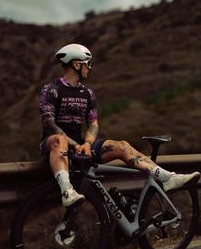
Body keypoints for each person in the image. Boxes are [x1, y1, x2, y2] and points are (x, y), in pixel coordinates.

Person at [39, 43, 200, 207]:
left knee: (122, 146)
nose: (90, 68)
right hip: (54, 147)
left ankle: (167, 178)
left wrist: (87, 143)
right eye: (88, 63)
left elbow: (93, 123)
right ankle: (67, 191)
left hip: (81, 147)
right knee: (60, 139)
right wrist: (75, 145)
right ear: (76, 64)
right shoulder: (51, 89)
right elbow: (49, 123)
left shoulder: (87, 93)